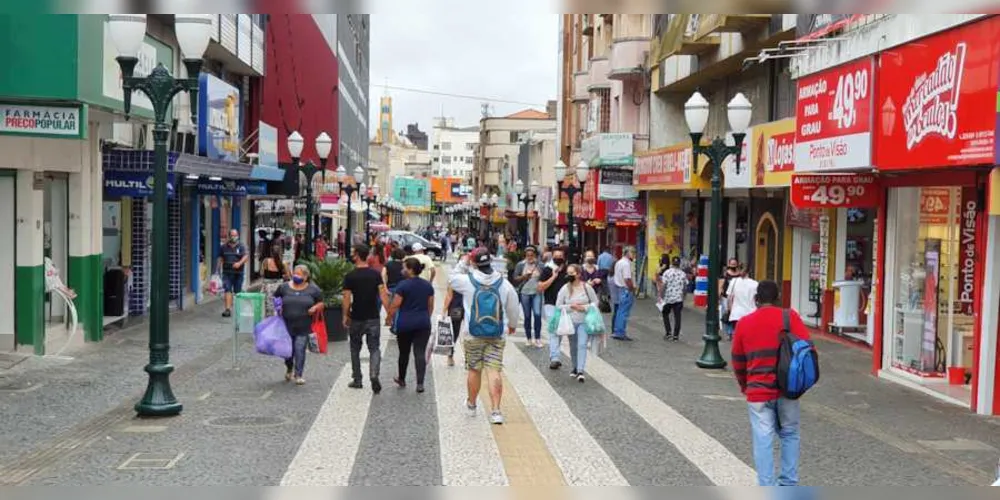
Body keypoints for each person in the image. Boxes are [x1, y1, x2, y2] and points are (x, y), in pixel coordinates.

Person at [731, 280, 809, 486]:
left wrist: (744, 386)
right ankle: (788, 483)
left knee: (763, 439)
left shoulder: (744, 323)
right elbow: (807, 351)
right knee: (790, 433)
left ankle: (766, 486)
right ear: (778, 298)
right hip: (788, 389)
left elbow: (738, 361)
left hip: (757, 391)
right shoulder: (789, 317)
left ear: (756, 300)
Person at [449, 249, 520, 425]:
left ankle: (472, 405)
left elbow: (452, 278)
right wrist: (511, 325)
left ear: (474, 263)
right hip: (496, 334)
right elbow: (513, 307)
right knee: (494, 370)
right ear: (491, 262)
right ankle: (496, 411)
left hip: (473, 333)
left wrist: (463, 262)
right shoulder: (504, 284)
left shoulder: (467, 281)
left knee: (474, 370)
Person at [343, 244, 390, 394]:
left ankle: (357, 379)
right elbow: (383, 295)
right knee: (374, 348)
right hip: (373, 317)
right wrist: (389, 314)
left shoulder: (350, 276)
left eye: (353, 252)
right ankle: (374, 374)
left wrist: (345, 315)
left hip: (357, 316)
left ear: (357, 255)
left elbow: (346, 298)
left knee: (355, 348)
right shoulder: (375, 275)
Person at [386, 257, 435, 393]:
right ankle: (420, 383)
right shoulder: (427, 285)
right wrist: (425, 317)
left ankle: (401, 379)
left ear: (410, 270)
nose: (402, 270)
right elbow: (430, 306)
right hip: (423, 323)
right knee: (420, 352)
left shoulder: (403, 285)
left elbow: (395, 304)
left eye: (404, 268)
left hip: (405, 323)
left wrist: (389, 317)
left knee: (404, 352)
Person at [273, 265, 324, 385]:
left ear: (306, 277)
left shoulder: (314, 289)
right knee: (288, 352)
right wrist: (278, 306)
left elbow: (321, 302)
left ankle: (299, 374)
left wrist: (315, 307)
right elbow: (276, 297)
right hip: (286, 325)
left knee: (300, 349)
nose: (297, 276)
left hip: (304, 325)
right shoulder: (284, 287)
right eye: (295, 273)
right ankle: (289, 367)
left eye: (300, 274)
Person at [555, 264, 600, 382]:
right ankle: (575, 367)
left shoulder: (587, 287)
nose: (569, 276)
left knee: (582, 344)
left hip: (584, 321)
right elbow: (558, 306)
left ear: (579, 274)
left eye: (571, 273)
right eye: (568, 273)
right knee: (573, 346)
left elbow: (595, 302)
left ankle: (580, 370)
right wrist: (571, 306)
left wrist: (584, 308)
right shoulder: (565, 288)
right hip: (570, 322)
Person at [538, 249, 571, 369]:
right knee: (553, 331)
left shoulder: (569, 270)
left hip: (566, 305)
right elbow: (540, 287)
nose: (558, 258)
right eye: (555, 256)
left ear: (564, 257)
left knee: (560, 331)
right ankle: (554, 357)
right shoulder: (547, 270)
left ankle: (555, 354)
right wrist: (554, 276)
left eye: (560, 256)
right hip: (550, 304)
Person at [513, 245, 543, 348]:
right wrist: (524, 276)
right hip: (524, 292)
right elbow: (515, 278)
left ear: (535, 255)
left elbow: (545, 276)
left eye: (531, 255)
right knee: (527, 316)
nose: (529, 257)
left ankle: (538, 338)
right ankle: (529, 338)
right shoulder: (520, 265)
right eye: (527, 255)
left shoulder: (540, 265)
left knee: (537, 314)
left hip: (537, 293)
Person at [218, 229, 249, 317]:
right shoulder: (223, 247)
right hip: (227, 273)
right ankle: (227, 309)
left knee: (237, 291)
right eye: (232, 235)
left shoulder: (242, 246)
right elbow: (220, 258)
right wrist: (217, 270)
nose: (234, 237)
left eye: (235, 235)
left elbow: (246, 256)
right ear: (229, 236)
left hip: (238, 273)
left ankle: (239, 309)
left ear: (238, 236)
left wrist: (239, 263)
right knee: (227, 289)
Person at [659, 256, 688, 342]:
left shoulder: (667, 273)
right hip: (678, 298)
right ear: (679, 264)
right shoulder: (683, 274)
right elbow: (685, 287)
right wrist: (684, 296)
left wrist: (661, 294)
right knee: (677, 316)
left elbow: (663, 285)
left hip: (668, 298)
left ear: (671, 263)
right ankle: (676, 336)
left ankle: (668, 333)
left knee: (665, 313)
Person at [726, 265, 759, 340]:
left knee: (738, 337)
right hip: (751, 313)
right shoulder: (755, 284)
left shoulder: (733, 282)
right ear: (749, 272)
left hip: (736, 314)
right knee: (750, 337)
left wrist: (730, 310)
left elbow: (729, 298)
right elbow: (757, 299)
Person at [611, 246, 637, 341]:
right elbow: (627, 278)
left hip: (620, 289)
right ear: (627, 253)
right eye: (632, 252)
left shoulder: (619, 262)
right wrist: (631, 289)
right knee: (624, 312)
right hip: (625, 289)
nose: (634, 254)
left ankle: (617, 330)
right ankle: (620, 332)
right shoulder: (626, 264)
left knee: (620, 311)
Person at [261, 245, 291, 317]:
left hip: (267, 287)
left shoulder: (265, 261)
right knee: (278, 305)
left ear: (271, 253)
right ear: (280, 253)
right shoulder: (283, 263)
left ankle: (269, 320)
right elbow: (288, 276)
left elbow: (261, 273)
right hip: (279, 287)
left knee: (268, 306)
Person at [720, 258, 742, 339]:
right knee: (727, 314)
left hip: (737, 297)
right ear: (729, 264)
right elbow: (721, 285)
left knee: (735, 314)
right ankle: (729, 332)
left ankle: (734, 331)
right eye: (731, 264)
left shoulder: (739, 275)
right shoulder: (725, 274)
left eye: (734, 264)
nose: (733, 266)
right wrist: (719, 296)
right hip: (726, 297)